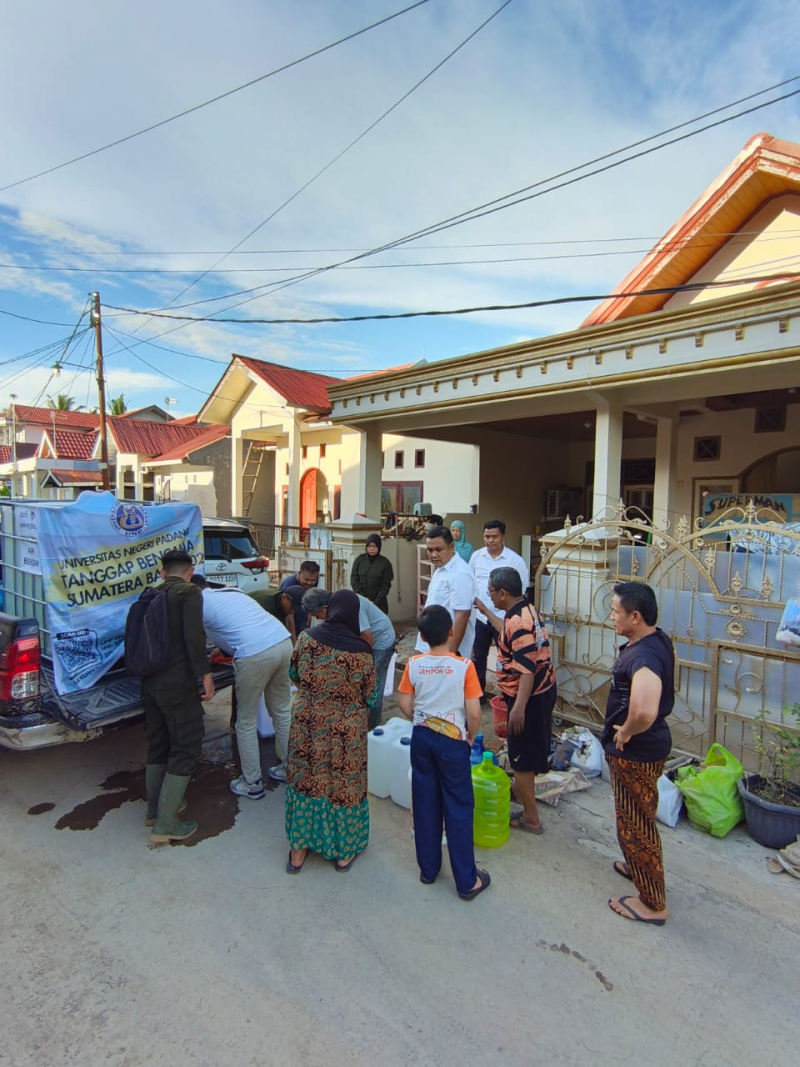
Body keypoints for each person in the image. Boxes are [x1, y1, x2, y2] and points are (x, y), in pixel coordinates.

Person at [397, 605, 490, 901]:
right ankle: (466, 880)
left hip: (423, 737)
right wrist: (469, 737)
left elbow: (404, 704)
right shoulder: (464, 667)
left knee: (425, 801)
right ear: (451, 632)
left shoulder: (414, 664)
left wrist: (420, 719)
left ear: (422, 636)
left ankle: (428, 869)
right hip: (453, 740)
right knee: (459, 806)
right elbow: (474, 712)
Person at [284, 589, 378, 874]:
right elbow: (371, 697)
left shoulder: (306, 638)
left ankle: (298, 852)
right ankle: (342, 854)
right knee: (343, 787)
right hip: (345, 735)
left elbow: (293, 674)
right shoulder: (362, 653)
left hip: (307, 727)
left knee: (307, 780)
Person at [603, 582, 674, 926]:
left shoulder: (644, 656)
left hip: (636, 751)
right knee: (636, 815)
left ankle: (653, 903)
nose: (611, 616)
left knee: (636, 825)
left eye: (615, 611)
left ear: (635, 616)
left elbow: (645, 709)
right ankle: (637, 868)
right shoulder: (654, 639)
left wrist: (626, 731)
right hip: (646, 749)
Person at [192, 576, 293, 795]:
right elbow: (239, 624)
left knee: (245, 720)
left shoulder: (197, 602)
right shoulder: (232, 593)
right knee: (283, 712)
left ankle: (252, 783)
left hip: (255, 653)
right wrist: (223, 649)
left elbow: (193, 640)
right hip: (283, 643)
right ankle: (290, 770)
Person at [475, 567, 556, 835]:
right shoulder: (524, 610)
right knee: (528, 751)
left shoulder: (518, 622)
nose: (490, 596)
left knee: (520, 759)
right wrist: (487, 613)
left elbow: (527, 669)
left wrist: (518, 708)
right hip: (540, 691)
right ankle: (522, 794)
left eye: (491, 592)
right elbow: (508, 637)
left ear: (503, 593)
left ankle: (531, 819)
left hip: (530, 697)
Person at [143, 549, 215, 844]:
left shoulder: (149, 595)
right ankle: (166, 824)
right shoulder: (188, 593)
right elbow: (194, 637)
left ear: (162, 572)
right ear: (190, 571)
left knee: (158, 742)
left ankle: (153, 810)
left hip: (149, 682)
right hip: (177, 683)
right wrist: (206, 675)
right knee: (186, 743)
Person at [303, 587, 396, 730]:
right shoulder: (337, 605)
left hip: (380, 640)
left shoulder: (351, 605)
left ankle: (372, 727)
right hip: (366, 639)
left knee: (373, 685)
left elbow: (368, 640)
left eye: (317, 614)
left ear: (325, 607)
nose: (317, 619)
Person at [470, 520, 530, 698]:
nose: (490, 540)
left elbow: (522, 588)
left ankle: (507, 695)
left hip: (505, 619)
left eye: (494, 536)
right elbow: (470, 582)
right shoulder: (477, 557)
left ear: (503, 537)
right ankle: (478, 694)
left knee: (506, 659)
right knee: (478, 656)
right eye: (487, 536)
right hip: (480, 617)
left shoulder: (515, 561)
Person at [416, 525, 477, 660]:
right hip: (430, 647)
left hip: (446, 652)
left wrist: (450, 655)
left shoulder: (460, 573)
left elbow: (463, 615)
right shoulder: (441, 569)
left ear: (451, 546)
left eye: (439, 550)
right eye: (430, 550)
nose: (433, 555)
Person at [350, 533, 394, 613]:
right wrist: (364, 598)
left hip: (379, 604)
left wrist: (375, 602)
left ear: (379, 547)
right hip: (361, 602)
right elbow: (354, 581)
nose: (371, 549)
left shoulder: (385, 563)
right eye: (369, 546)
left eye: (374, 546)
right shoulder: (359, 561)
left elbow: (386, 585)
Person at [280, 561, 320, 634]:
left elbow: (310, 595)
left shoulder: (313, 580)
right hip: (287, 611)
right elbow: (289, 617)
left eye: (313, 580)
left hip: (302, 607)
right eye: (306, 579)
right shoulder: (289, 586)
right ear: (299, 574)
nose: (309, 583)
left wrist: (309, 612)